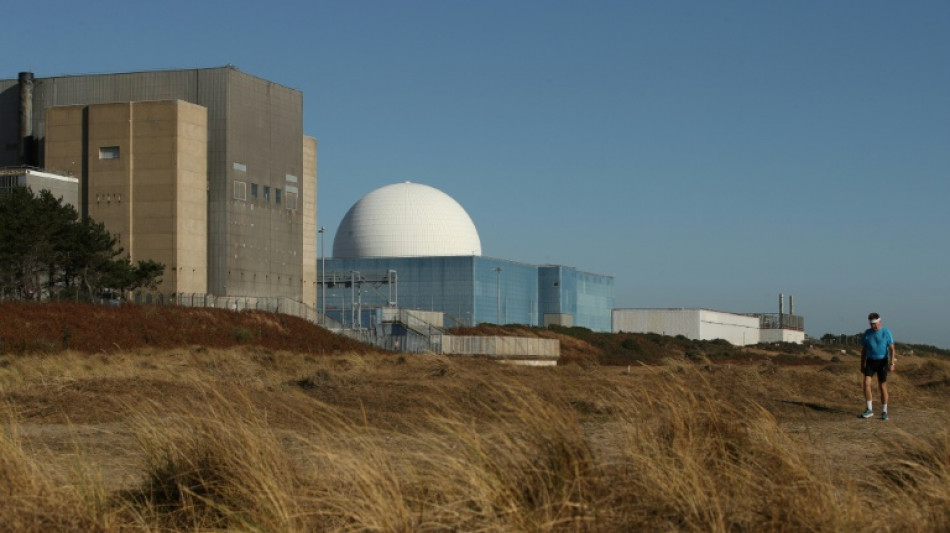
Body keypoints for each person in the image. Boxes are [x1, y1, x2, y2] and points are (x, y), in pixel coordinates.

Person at [860, 312, 896, 420]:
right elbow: (864, 350)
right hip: (870, 361)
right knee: (866, 383)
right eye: (871, 324)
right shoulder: (867, 333)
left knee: (882, 386)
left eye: (875, 324)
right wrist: (862, 364)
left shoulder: (886, 332)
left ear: (879, 321)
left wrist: (892, 363)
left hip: (882, 362)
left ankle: (884, 411)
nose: (873, 326)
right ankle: (869, 409)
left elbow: (892, 349)